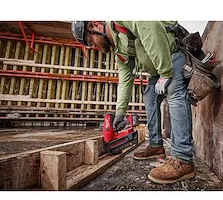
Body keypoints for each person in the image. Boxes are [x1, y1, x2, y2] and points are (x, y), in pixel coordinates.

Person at [71, 21, 195, 184]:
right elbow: (125, 80)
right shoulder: (119, 49)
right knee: (149, 97)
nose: (93, 47)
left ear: (95, 25)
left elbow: (152, 28)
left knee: (173, 89)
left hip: (174, 55)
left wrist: (165, 73)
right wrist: (120, 113)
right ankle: (156, 145)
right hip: (158, 71)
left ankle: (183, 159)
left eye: (89, 42)